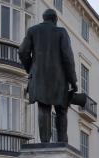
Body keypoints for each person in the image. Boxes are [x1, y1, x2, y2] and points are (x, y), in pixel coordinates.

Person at [18, 8, 77, 143]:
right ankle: (62, 143)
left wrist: (31, 69)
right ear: (55, 19)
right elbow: (68, 58)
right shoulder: (61, 32)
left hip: (39, 78)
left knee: (43, 108)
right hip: (59, 80)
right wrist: (73, 81)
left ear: (44, 18)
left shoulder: (32, 31)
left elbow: (22, 52)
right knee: (61, 111)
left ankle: (44, 143)